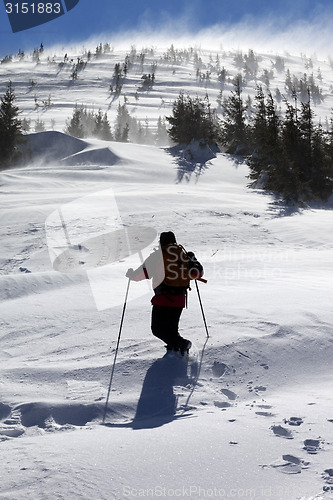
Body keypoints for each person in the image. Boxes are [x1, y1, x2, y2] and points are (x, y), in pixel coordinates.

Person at [126, 231, 204, 355]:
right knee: (171, 331)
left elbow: (144, 273)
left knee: (158, 330)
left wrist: (132, 275)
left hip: (163, 298)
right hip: (179, 299)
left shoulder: (158, 256)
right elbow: (196, 274)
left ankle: (182, 345)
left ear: (161, 242)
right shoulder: (183, 255)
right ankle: (175, 353)